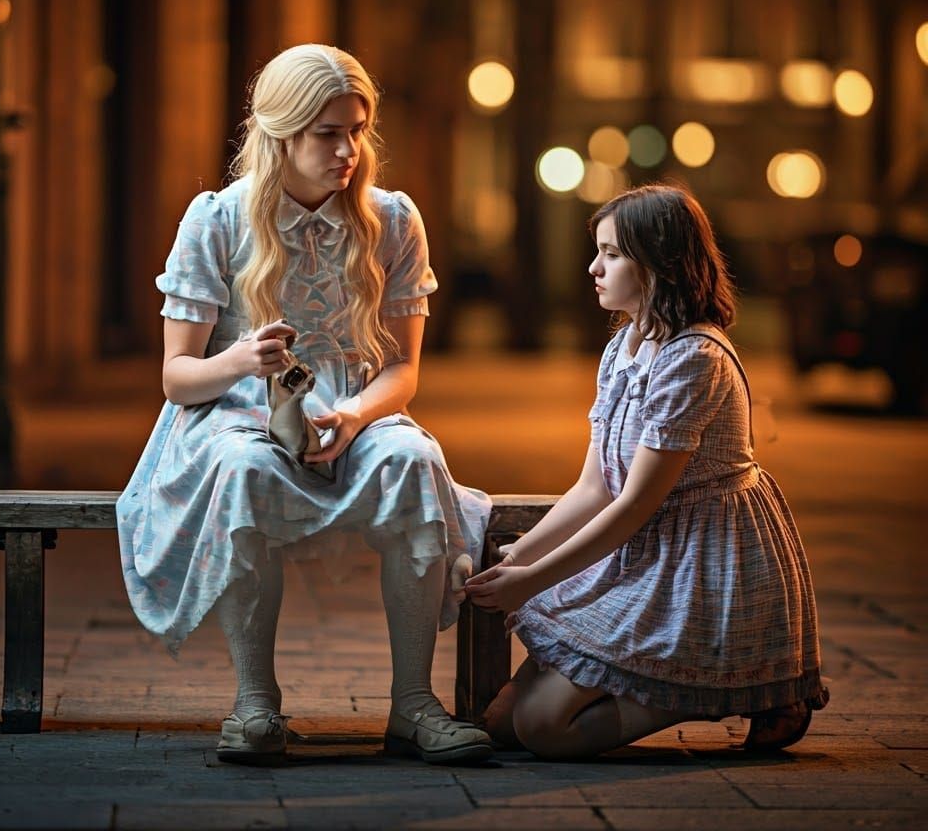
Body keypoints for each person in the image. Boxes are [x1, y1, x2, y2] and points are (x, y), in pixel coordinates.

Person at [116, 44, 493, 765]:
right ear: (281, 133)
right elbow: (177, 378)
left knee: (414, 457)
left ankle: (413, 704)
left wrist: (353, 417)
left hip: (354, 404)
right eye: (328, 133)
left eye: (357, 129)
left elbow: (405, 372)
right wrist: (239, 360)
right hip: (233, 410)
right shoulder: (218, 220)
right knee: (242, 468)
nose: (348, 149)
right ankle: (256, 703)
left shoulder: (391, 219)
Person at [465, 183, 829, 758]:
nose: (593, 266)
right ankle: (689, 684)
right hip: (643, 550)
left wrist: (533, 582)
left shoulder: (694, 358)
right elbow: (594, 486)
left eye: (611, 253)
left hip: (698, 560)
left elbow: (636, 504)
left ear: (660, 264)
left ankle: (724, 688)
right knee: (505, 721)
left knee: (544, 730)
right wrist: (524, 553)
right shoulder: (624, 346)